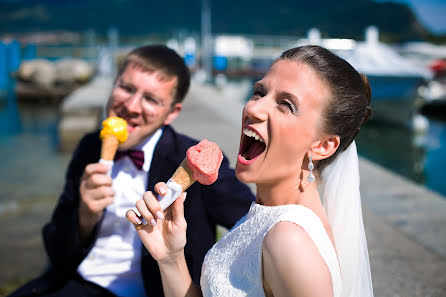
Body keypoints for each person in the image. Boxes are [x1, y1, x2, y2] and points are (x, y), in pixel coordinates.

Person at [126, 45, 375, 297]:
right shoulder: (265, 216)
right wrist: (170, 257)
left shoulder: (291, 241)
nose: (253, 109)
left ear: (322, 146)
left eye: (286, 105)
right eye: (259, 92)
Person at [9, 45, 255, 297]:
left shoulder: (192, 161)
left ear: (172, 112)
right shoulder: (90, 146)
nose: (132, 106)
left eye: (151, 99)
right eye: (126, 88)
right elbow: (55, 248)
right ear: (113, 84)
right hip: (75, 282)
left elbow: (254, 226)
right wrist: (84, 217)